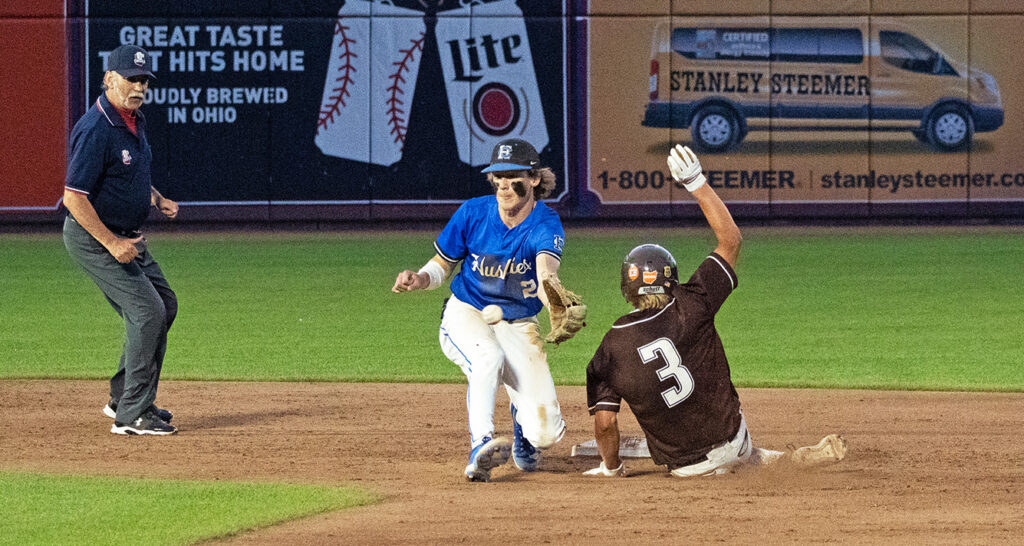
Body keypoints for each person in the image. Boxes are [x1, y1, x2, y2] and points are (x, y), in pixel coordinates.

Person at [582, 144, 846, 478]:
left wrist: (611, 467)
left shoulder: (611, 346)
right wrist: (696, 182)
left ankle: (761, 461)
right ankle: (777, 459)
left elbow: (605, 424)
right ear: (671, 279)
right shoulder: (693, 300)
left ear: (626, 289)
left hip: (685, 469)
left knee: (685, 446)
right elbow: (731, 240)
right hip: (734, 439)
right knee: (739, 452)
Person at [393, 138, 586, 482]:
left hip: (519, 322)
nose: (503, 185)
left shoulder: (545, 223)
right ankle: (480, 445)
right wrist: (421, 278)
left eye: (513, 177)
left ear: (534, 180)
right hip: (466, 312)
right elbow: (443, 263)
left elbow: (545, 272)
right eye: (497, 176)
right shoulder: (473, 212)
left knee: (547, 435)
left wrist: (553, 301)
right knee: (488, 359)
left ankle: (523, 424)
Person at [63, 44, 179, 436]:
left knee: (164, 304)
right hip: (94, 237)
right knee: (147, 312)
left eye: (144, 79)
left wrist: (156, 197)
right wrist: (111, 243)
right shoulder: (96, 127)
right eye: (132, 77)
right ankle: (133, 415)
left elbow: (129, 175)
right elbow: (73, 197)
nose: (139, 86)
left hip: (128, 236)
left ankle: (123, 397)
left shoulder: (133, 119)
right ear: (109, 78)